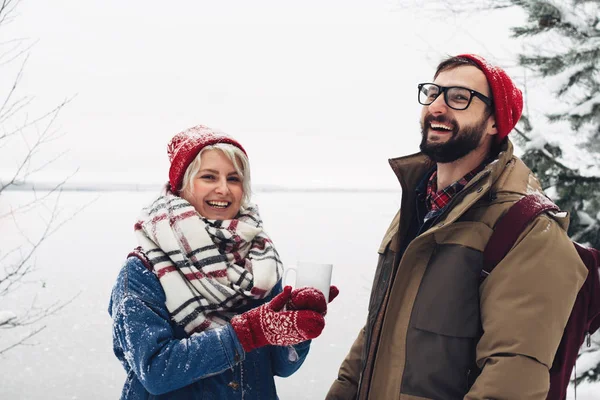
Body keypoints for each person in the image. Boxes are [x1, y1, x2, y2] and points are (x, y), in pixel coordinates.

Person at [326, 54, 588, 399]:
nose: (437, 106)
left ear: (495, 122)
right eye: (433, 93)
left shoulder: (527, 227)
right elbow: (378, 332)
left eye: (459, 97)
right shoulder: (418, 206)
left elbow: (513, 377)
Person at [109, 125, 338, 399]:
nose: (223, 189)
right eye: (208, 177)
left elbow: (281, 366)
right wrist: (248, 332)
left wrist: (295, 329)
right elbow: (156, 371)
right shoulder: (142, 269)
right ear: (181, 185)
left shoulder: (260, 261)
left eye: (234, 179)